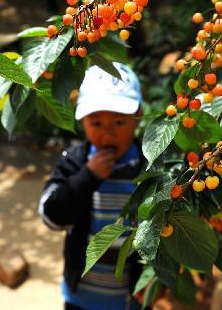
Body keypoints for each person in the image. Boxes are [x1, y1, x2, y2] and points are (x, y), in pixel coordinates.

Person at [39, 63, 145, 310]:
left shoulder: (148, 166)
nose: (107, 135)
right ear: (83, 120)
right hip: (80, 298)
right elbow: (50, 216)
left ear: (137, 117)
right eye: (96, 124)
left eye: (119, 123)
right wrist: (88, 176)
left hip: (130, 300)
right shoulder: (75, 161)